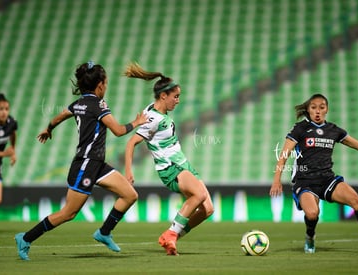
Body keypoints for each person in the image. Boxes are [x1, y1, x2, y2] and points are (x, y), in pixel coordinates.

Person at [15, 61, 148, 261]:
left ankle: (104, 232)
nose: (106, 86)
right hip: (86, 164)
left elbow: (60, 116)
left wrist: (48, 129)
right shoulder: (98, 104)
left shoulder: (79, 103)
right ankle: (25, 238)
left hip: (96, 164)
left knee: (129, 195)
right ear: (100, 84)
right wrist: (136, 123)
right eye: (106, 83)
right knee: (68, 213)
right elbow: (119, 131)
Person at [269, 93, 358, 254]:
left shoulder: (333, 130)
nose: (318, 111)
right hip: (305, 181)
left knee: (356, 199)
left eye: (322, 107)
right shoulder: (300, 129)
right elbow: (284, 154)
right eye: (314, 108)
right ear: (308, 110)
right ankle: (310, 237)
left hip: (327, 179)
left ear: (327, 109)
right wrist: (277, 180)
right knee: (312, 214)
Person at [123, 62, 214, 255]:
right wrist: (129, 171)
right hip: (170, 167)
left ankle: (171, 237)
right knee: (199, 195)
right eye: (176, 96)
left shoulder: (156, 111)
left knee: (207, 210)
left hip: (183, 163)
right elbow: (131, 143)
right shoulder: (153, 119)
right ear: (163, 96)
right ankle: (172, 234)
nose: (178, 101)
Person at [0, 93, 17, 204]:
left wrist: (13, 150)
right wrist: (6, 153)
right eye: (0, 109)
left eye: (6, 109)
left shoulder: (11, 123)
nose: (4, 112)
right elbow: (6, 153)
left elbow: (13, 134)